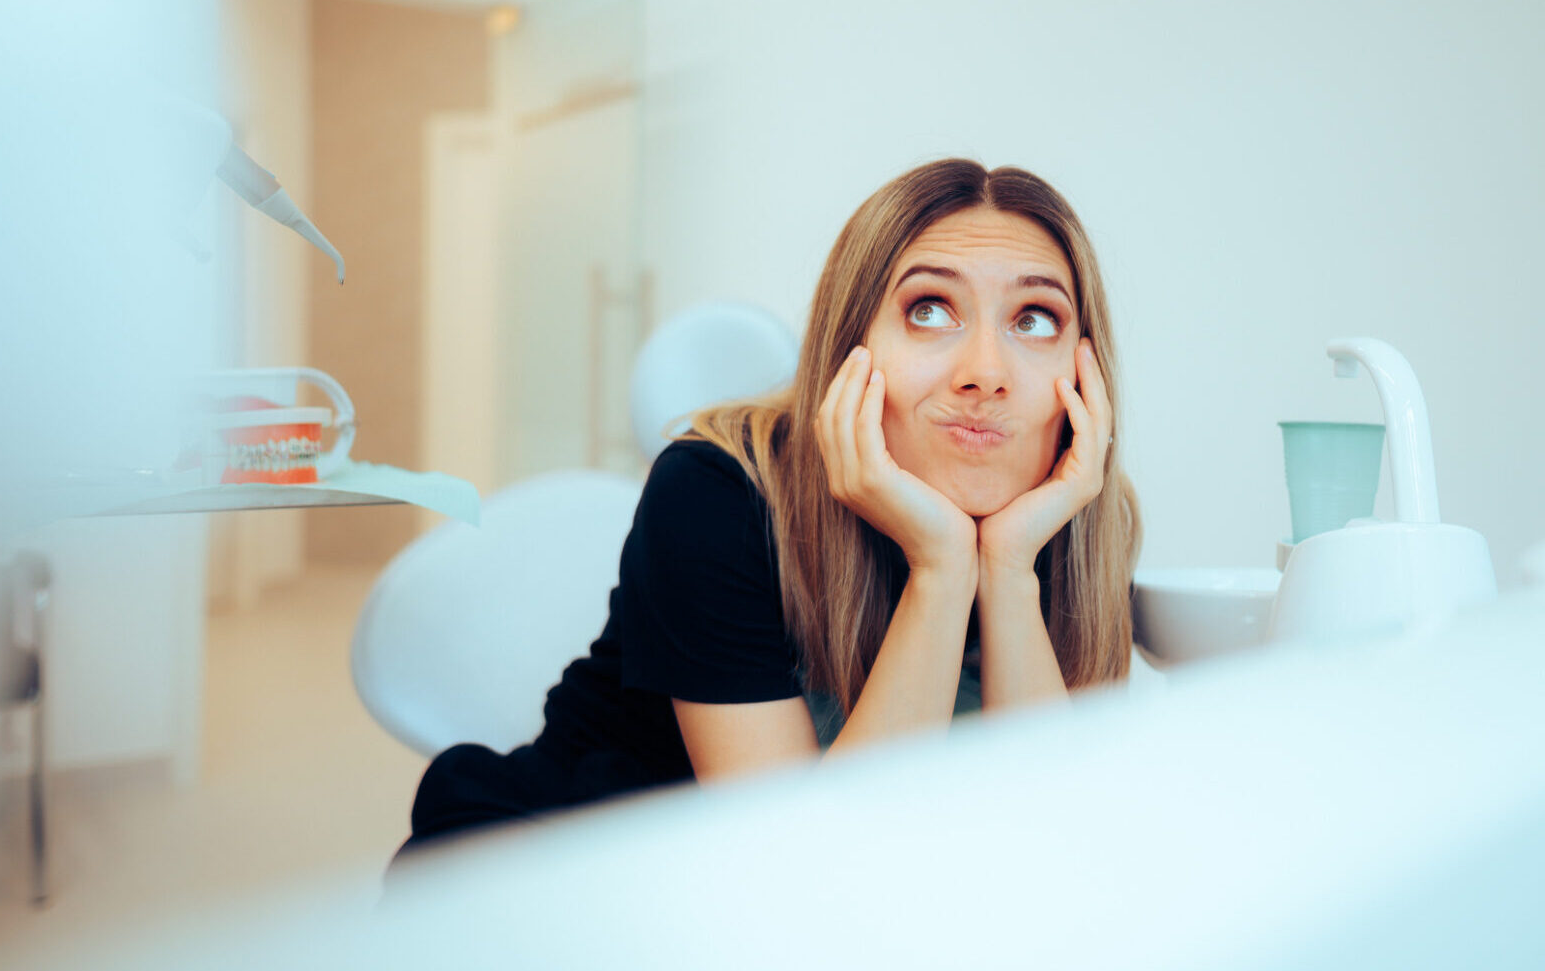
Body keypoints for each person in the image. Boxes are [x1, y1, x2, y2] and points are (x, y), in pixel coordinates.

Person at [388, 158, 1141, 876]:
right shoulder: (715, 491)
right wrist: (942, 568)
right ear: (851, 345)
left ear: (1085, 367)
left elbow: (1043, 845)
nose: (985, 370)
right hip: (569, 875)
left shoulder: (1072, 517)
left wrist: (1008, 571)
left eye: (1035, 319)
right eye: (930, 309)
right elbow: (803, 870)